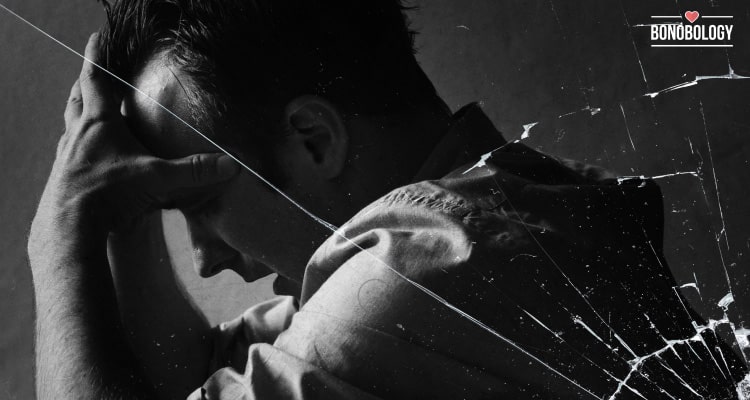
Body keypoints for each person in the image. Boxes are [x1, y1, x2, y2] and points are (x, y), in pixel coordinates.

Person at [28, 1, 747, 399]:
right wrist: (120, 216)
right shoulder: (503, 208)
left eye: (199, 201)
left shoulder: (407, 284)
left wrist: (59, 244)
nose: (206, 260)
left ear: (314, 140)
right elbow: (186, 372)